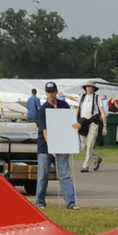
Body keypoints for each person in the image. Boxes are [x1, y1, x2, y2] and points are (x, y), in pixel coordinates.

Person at [31, 80, 76, 209]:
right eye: (48, 92)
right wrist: (52, 147)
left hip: (62, 145)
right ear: (46, 93)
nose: (51, 94)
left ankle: (70, 203)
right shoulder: (43, 109)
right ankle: (40, 202)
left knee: (64, 174)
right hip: (45, 147)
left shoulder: (64, 105)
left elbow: (69, 122)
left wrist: (76, 125)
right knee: (43, 175)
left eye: (52, 92)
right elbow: (45, 130)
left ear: (56, 92)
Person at [76, 81, 105, 171]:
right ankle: (96, 159)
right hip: (83, 122)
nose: (88, 88)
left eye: (90, 86)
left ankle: (85, 166)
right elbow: (78, 109)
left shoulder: (97, 98)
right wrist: (76, 121)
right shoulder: (82, 97)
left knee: (90, 144)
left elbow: (102, 112)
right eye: (87, 86)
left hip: (93, 122)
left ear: (93, 88)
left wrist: (105, 125)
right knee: (84, 145)